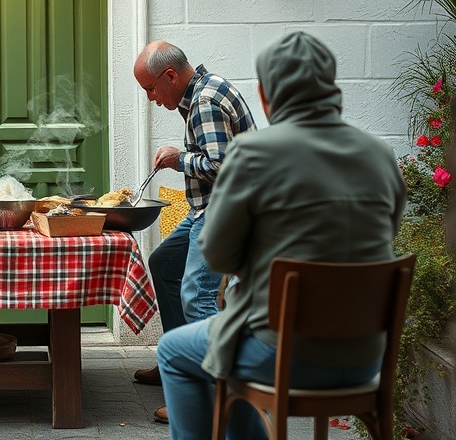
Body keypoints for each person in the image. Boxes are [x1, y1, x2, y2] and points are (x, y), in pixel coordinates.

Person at [156, 31, 407, 439]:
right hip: (364, 356)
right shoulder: (379, 154)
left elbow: (217, 254)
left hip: (283, 354)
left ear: (266, 94)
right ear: (331, 85)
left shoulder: (252, 154)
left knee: (174, 350)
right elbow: (386, 233)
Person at [131, 41, 256, 425]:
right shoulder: (203, 91)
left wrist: (178, 158)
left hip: (224, 211)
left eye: (150, 88)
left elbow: (223, 166)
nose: (151, 98)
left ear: (170, 76)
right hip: (209, 208)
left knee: (198, 295)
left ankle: (205, 400)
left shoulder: (204, 102)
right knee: (164, 263)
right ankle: (180, 363)